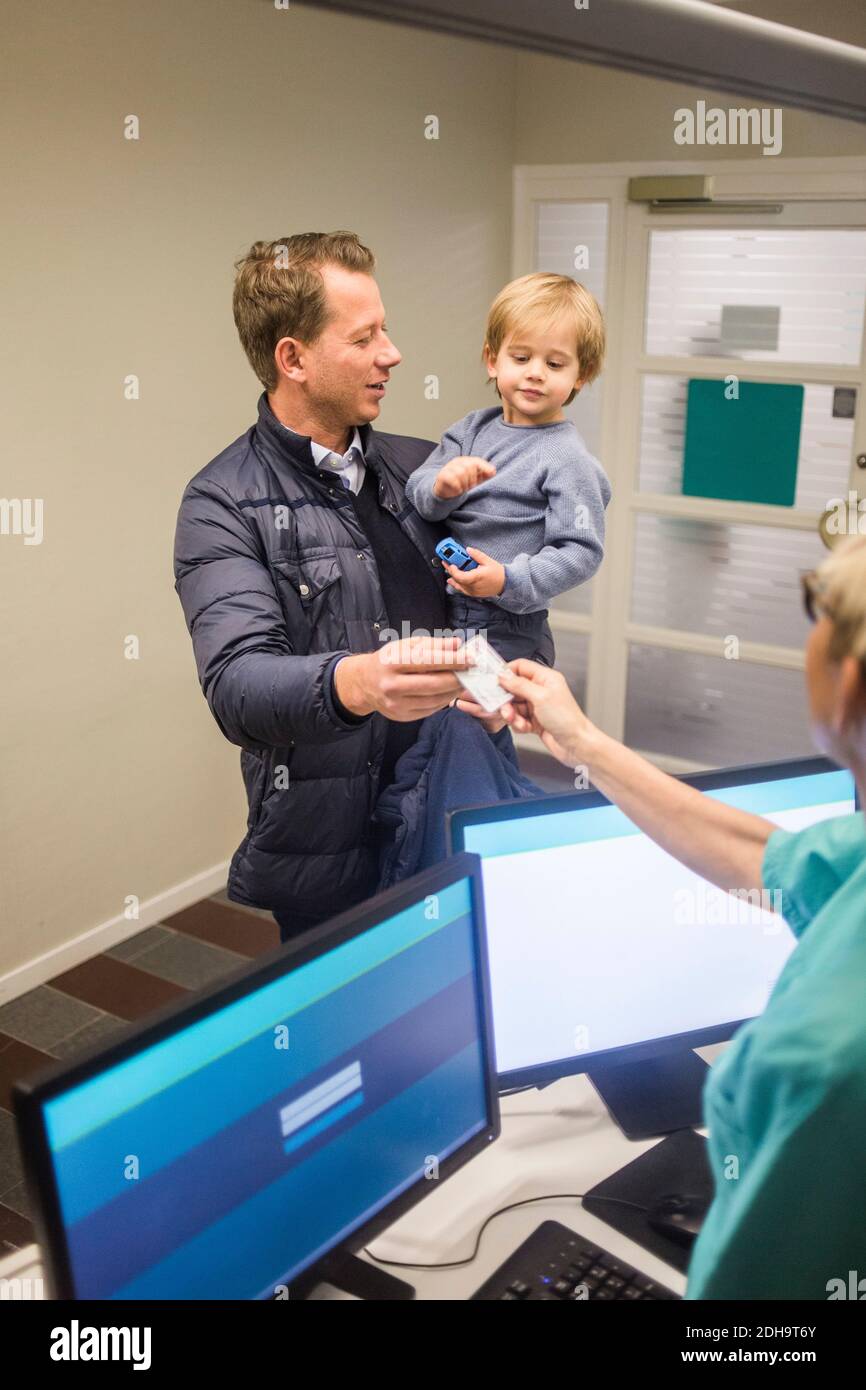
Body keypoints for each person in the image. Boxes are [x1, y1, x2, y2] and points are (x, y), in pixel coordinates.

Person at [495, 533, 866, 1300]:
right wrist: (581, 741)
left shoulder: (828, 1058)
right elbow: (755, 853)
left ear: (851, 682)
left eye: (813, 606)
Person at [173, 232, 504, 943]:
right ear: (292, 358)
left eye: (385, 329)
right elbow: (238, 686)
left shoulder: (422, 471)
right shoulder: (221, 503)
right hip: (328, 856)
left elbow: (485, 599)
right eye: (366, 337)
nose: (393, 352)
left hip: (452, 807)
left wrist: (503, 687)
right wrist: (357, 682)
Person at [405, 273, 611, 668]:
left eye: (554, 363)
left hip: (504, 620)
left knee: (478, 713)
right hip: (441, 601)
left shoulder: (567, 458)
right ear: (492, 359)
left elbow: (581, 551)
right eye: (521, 358)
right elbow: (421, 495)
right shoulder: (471, 429)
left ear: (580, 375)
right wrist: (442, 487)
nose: (535, 372)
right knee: (436, 707)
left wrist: (507, 580)